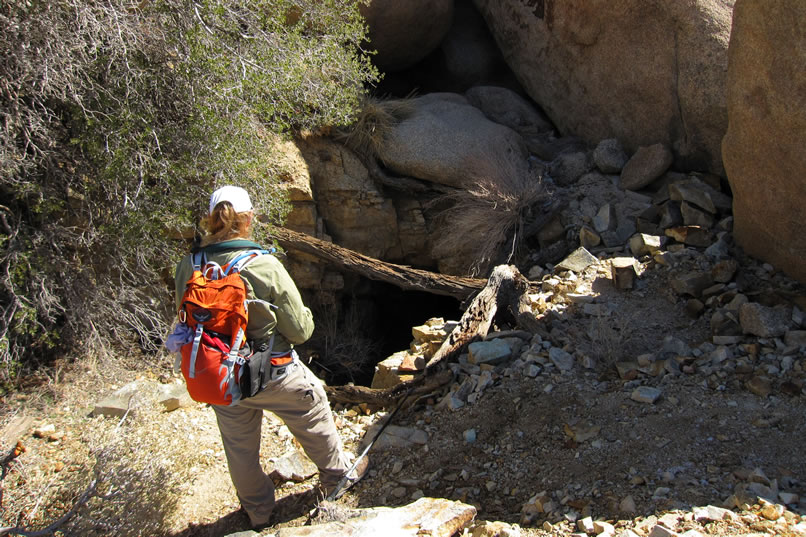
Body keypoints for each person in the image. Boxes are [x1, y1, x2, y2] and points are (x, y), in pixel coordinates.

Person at [173, 185, 368, 529]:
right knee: (313, 405)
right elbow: (301, 330)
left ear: (211, 219)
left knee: (239, 449)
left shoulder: (190, 264)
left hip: (221, 377)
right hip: (273, 373)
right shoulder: (262, 264)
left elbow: (184, 315)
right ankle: (338, 475)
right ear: (248, 219)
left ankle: (259, 511)